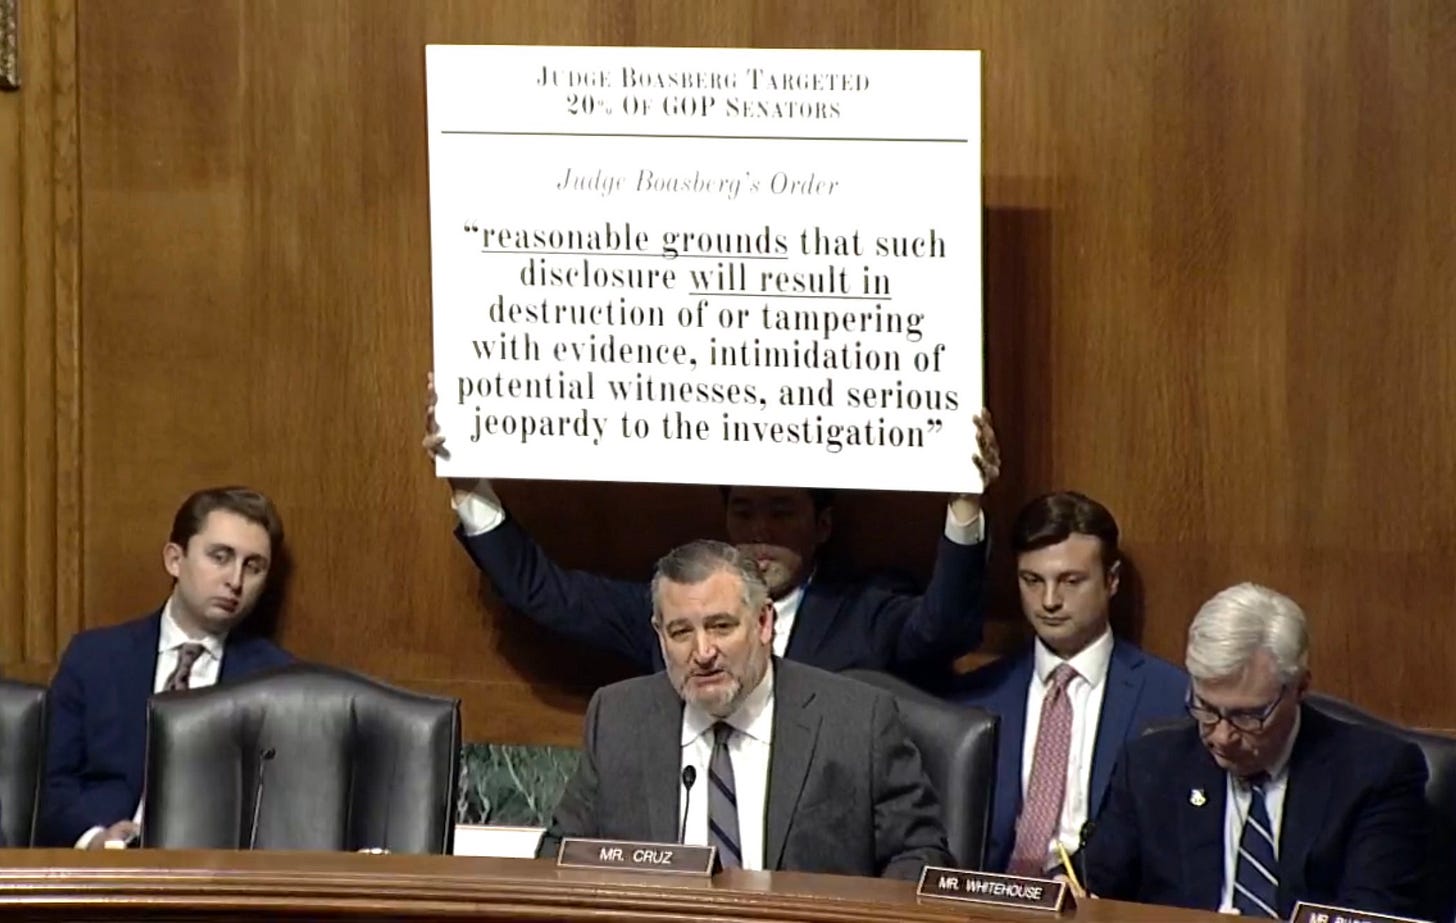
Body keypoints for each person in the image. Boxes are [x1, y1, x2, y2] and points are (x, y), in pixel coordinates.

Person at [423, 374, 999, 688]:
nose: (759, 532)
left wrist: (964, 504)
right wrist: (467, 483)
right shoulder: (676, 606)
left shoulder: (864, 614)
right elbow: (543, 593)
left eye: (781, 513)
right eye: (743, 512)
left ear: (822, 524)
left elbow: (945, 629)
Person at [537, 539, 952, 880]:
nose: (703, 652)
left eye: (721, 626)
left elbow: (919, 856)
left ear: (764, 623)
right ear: (659, 636)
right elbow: (561, 855)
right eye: (681, 632)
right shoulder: (619, 718)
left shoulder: (857, 720)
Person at [1081, 583, 1428, 918]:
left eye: (1247, 715)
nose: (1222, 737)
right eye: (1206, 709)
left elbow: (1373, 914)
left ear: (1299, 688)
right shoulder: (1150, 767)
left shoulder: (1374, 774)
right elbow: (1093, 888)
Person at [38, 487, 295, 848]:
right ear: (175, 559)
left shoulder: (278, 680)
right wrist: (95, 840)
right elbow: (50, 784)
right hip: (105, 863)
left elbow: (281, 811)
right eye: (220, 557)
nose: (235, 581)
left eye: (253, 567)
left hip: (215, 868)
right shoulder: (95, 658)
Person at [950, 491, 1186, 873]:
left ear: (1111, 580)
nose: (1049, 601)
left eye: (1070, 581)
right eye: (1032, 580)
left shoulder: (1170, 698)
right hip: (990, 894)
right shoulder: (977, 696)